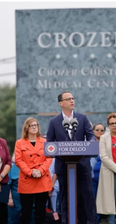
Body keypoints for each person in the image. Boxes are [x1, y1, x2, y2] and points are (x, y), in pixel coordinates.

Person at [45, 91, 96, 224]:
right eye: (68, 99)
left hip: (82, 166)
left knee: (87, 198)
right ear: (60, 103)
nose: (72, 101)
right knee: (65, 198)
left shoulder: (82, 118)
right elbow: (49, 142)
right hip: (63, 166)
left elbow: (91, 135)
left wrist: (90, 143)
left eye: (73, 98)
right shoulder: (54, 121)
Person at [15, 118, 53, 224]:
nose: (34, 127)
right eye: (31, 125)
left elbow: (49, 158)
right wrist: (30, 172)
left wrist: (40, 170)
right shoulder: (19, 143)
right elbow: (18, 160)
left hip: (42, 179)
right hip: (27, 180)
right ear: (26, 128)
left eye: (36, 125)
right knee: (25, 212)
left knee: (40, 212)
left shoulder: (45, 142)